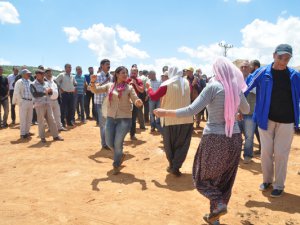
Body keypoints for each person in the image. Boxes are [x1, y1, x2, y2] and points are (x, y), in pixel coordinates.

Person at [154, 57, 249, 224]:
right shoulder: (236, 88)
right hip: (234, 138)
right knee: (224, 180)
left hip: (214, 139)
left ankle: (218, 204)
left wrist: (165, 113)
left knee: (202, 178)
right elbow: (247, 109)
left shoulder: (213, 87)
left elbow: (192, 110)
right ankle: (215, 218)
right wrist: (234, 109)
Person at [245, 44, 300, 198]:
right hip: (265, 120)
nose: (284, 60)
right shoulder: (262, 72)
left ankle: (279, 185)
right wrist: (236, 107)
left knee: (281, 154)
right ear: (274, 55)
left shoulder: (295, 76)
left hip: (287, 121)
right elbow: (245, 88)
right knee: (266, 153)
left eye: (287, 57)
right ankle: (267, 180)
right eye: (281, 56)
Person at [90, 66, 143, 174]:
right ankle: (120, 155)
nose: (125, 75)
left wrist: (138, 102)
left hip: (124, 119)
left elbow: (134, 98)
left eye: (126, 73)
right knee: (109, 143)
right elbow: (95, 90)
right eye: (123, 73)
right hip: (110, 118)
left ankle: (116, 164)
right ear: (117, 74)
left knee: (118, 143)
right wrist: (92, 82)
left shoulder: (129, 88)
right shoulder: (110, 86)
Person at [149, 66, 194, 177]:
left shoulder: (167, 84)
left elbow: (154, 97)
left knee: (169, 145)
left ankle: (172, 165)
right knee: (182, 145)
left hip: (170, 119)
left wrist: (149, 88)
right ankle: (176, 167)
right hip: (187, 120)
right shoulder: (187, 83)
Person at [30, 69, 64, 143]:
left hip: (48, 104)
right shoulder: (32, 84)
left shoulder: (46, 83)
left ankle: (56, 136)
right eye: (41, 74)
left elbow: (50, 93)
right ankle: (42, 137)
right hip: (39, 105)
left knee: (52, 120)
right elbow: (35, 94)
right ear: (37, 75)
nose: (43, 76)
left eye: (43, 74)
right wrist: (45, 93)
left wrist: (50, 92)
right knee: (41, 122)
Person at [238, 60, 257, 164]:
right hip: (237, 113)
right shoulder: (235, 80)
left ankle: (248, 155)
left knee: (249, 136)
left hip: (250, 113)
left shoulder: (254, 80)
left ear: (250, 68)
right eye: (242, 67)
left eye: (246, 67)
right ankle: (236, 156)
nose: (244, 69)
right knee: (236, 135)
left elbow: (257, 91)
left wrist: (246, 86)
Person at [94, 59, 112, 150]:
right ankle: (104, 144)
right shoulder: (96, 76)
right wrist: (106, 81)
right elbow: (93, 88)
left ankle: (109, 142)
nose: (109, 66)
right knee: (103, 124)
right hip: (100, 103)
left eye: (109, 64)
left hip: (110, 103)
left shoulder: (112, 76)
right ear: (101, 66)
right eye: (107, 64)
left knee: (110, 123)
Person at [12, 69, 34, 139]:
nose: (29, 75)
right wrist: (20, 101)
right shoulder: (19, 82)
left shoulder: (30, 82)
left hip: (30, 102)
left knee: (29, 118)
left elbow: (32, 92)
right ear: (23, 74)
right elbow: (16, 92)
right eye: (28, 74)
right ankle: (22, 133)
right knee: (23, 118)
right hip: (23, 101)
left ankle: (27, 132)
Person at [128, 66, 145, 140]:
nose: (133, 74)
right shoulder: (126, 79)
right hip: (126, 102)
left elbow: (141, 90)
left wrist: (135, 84)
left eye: (135, 73)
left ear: (137, 73)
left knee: (133, 119)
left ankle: (132, 134)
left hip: (135, 102)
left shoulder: (139, 81)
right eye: (132, 72)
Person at [249, 59, 261, 154]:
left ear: (256, 67)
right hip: (254, 108)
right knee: (256, 130)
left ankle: (262, 148)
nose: (249, 67)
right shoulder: (253, 77)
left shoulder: (258, 77)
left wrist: (249, 88)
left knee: (257, 130)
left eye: (251, 66)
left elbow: (257, 91)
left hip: (257, 108)